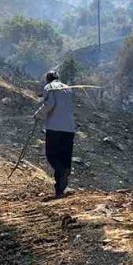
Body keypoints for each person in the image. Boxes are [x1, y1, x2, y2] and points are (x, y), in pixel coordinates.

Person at [34, 70, 75, 198]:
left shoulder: (49, 88)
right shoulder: (68, 89)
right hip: (69, 128)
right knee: (64, 156)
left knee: (52, 155)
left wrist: (38, 115)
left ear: (47, 79)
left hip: (55, 128)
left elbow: (49, 105)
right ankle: (61, 188)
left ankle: (62, 174)